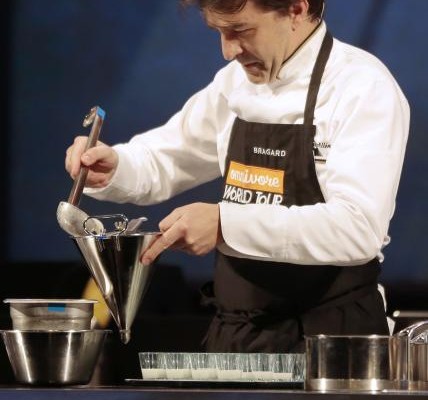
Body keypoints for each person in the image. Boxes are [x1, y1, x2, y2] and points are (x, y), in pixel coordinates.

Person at [65, 0, 410, 352]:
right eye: (219, 33)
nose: (228, 51)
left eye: (241, 31)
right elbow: (166, 157)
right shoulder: (234, 84)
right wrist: (115, 167)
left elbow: (356, 228)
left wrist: (225, 225)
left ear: (296, 9)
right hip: (238, 339)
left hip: (333, 342)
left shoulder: (362, 87)